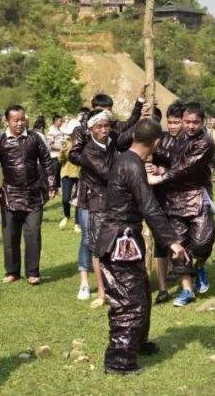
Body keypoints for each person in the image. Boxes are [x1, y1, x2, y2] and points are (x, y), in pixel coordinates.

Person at [94, 117, 187, 375]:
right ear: (156, 142)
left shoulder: (125, 159)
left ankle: (137, 342)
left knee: (141, 290)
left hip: (125, 236)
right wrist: (172, 242)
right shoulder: (132, 165)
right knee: (128, 299)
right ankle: (118, 361)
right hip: (119, 239)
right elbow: (149, 206)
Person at [150, 102, 215, 306]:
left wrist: (162, 175)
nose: (190, 126)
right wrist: (153, 153)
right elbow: (167, 156)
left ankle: (200, 264)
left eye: (195, 122)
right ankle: (187, 289)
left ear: (202, 122)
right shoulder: (171, 140)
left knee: (202, 241)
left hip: (197, 197)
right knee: (179, 246)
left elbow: (186, 166)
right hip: (173, 199)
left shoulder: (206, 143)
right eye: (187, 121)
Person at [0, 105, 57, 284]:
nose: (20, 123)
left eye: (22, 119)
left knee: (33, 234)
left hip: (34, 195)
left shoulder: (35, 138)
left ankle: (33, 272)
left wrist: (51, 183)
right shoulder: (0, 141)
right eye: (15, 120)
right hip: (10, 195)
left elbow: (47, 161)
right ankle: (12, 272)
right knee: (10, 237)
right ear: (7, 121)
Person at [69, 109, 128, 306]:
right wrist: (130, 169)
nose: (104, 130)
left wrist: (139, 105)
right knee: (95, 245)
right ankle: (100, 290)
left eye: (106, 126)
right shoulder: (89, 151)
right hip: (96, 202)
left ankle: (115, 286)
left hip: (114, 200)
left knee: (116, 242)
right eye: (99, 127)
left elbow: (128, 129)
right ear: (91, 130)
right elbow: (106, 173)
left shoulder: (111, 143)